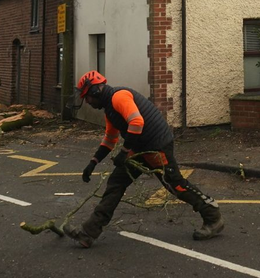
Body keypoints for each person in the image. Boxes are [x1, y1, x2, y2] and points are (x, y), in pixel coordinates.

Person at [63, 71, 223, 248]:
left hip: (156, 146)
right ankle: (88, 233)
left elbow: (137, 122)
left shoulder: (119, 97)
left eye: (87, 98)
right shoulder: (110, 110)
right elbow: (110, 139)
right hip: (140, 148)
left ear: (96, 91)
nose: (87, 102)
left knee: (175, 185)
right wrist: (93, 162)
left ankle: (213, 217)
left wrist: (124, 152)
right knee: (116, 182)